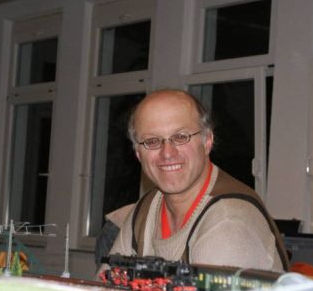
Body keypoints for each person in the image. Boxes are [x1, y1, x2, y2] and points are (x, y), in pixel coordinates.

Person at [96, 89, 289, 278]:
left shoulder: (229, 222)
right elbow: (103, 290)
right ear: (138, 154)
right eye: (152, 141)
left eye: (180, 137)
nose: (167, 153)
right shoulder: (145, 210)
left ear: (207, 141)